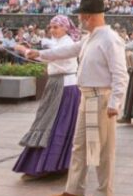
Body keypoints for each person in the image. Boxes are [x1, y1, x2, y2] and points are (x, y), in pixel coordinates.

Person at [25, 0, 128, 196]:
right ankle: (74, 189)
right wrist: (41, 54)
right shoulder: (92, 37)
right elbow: (68, 51)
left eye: (81, 15)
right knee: (81, 145)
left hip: (100, 97)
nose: (79, 19)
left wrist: (115, 102)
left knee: (100, 148)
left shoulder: (109, 39)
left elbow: (120, 73)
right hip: (88, 96)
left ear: (88, 17)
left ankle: (103, 193)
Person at [13, 16, 82, 180]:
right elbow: (50, 54)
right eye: (51, 27)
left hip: (65, 86)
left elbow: (54, 54)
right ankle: (53, 164)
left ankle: (50, 165)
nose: (52, 30)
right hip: (57, 85)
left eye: (56, 27)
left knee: (55, 124)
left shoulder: (67, 43)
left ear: (65, 28)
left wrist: (26, 51)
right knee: (49, 122)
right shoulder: (58, 42)